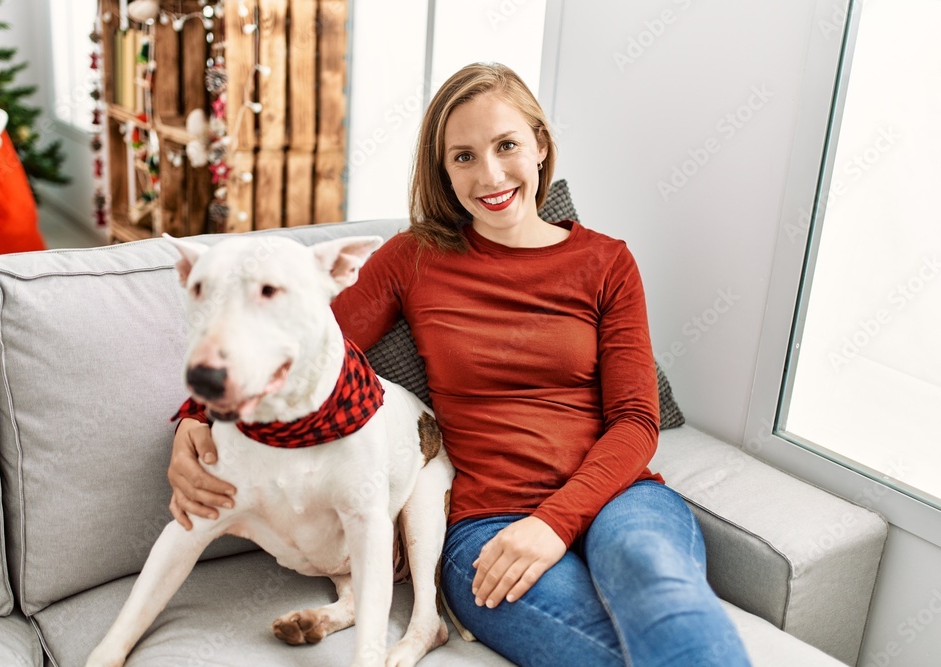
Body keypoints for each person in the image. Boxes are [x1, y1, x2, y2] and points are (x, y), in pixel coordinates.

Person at [167, 62, 751, 666]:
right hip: (482, 524)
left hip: (619, 499)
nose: (490, 175)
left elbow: (635, 420)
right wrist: (195, 415)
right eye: (464, 156)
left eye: (507, 146)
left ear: (541, 145)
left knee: (663, 594)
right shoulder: (414, 258)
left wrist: (553, 523)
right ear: (443, 171)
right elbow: (307, 347)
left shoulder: (608, 263)